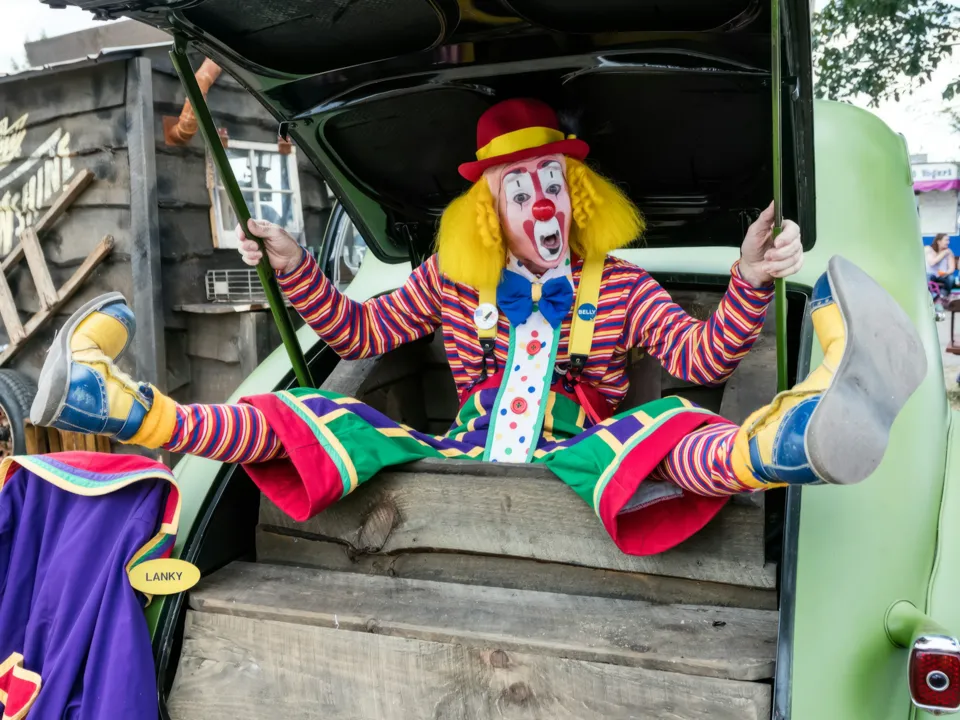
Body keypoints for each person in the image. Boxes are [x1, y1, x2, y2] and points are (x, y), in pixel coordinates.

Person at [28, 98, 926, 555]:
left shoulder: (620, 285)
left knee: (668, 425)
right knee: (309, 411)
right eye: (520, 190)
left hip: (579, 458)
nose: (542, 205)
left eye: (553, 186)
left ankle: (790, 438)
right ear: (490, 211)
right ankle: (129, 409)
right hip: (458, 452)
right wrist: (297, 264)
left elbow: (702, 354)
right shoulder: (451, 280)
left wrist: (749, 280)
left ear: (578, 198)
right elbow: (358, 332)